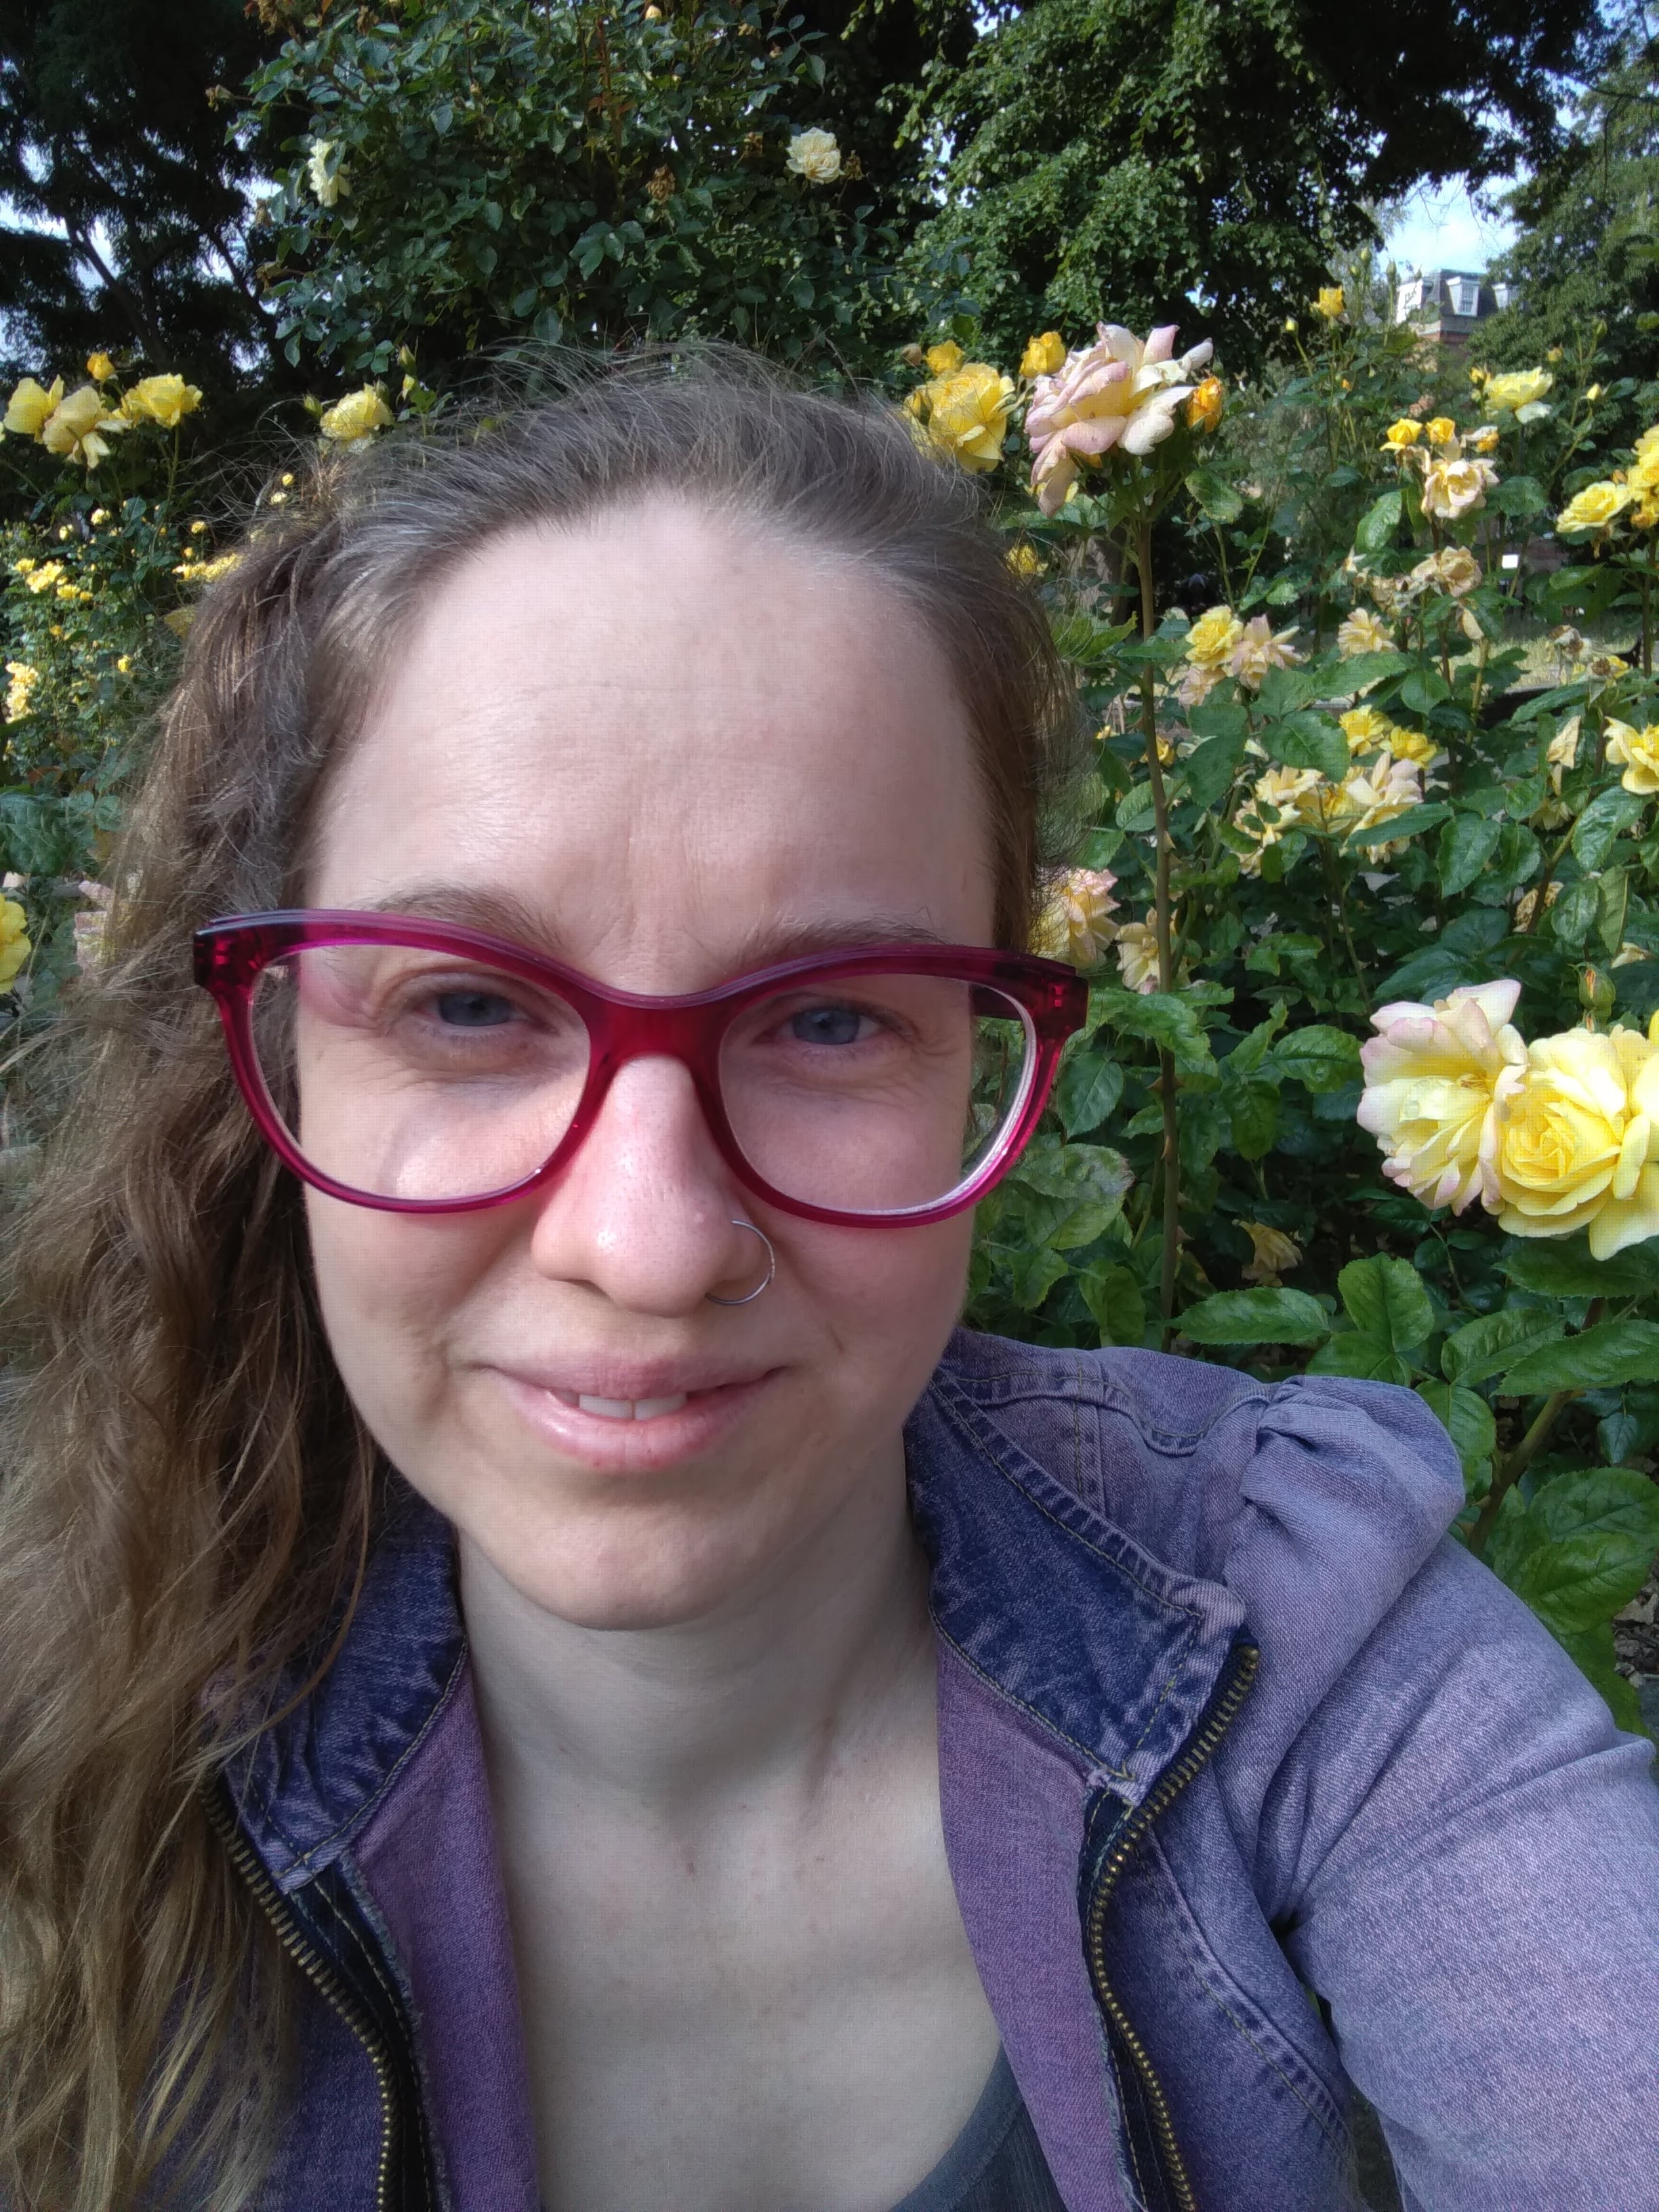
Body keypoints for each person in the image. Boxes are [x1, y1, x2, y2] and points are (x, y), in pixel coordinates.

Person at [1, 358, 1655, 2212]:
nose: (648, 1243)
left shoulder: (1313, 1649)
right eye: (467, 1005)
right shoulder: (58, 1767)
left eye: (830, 1017)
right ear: (282, 1045)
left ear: (980, 1047)